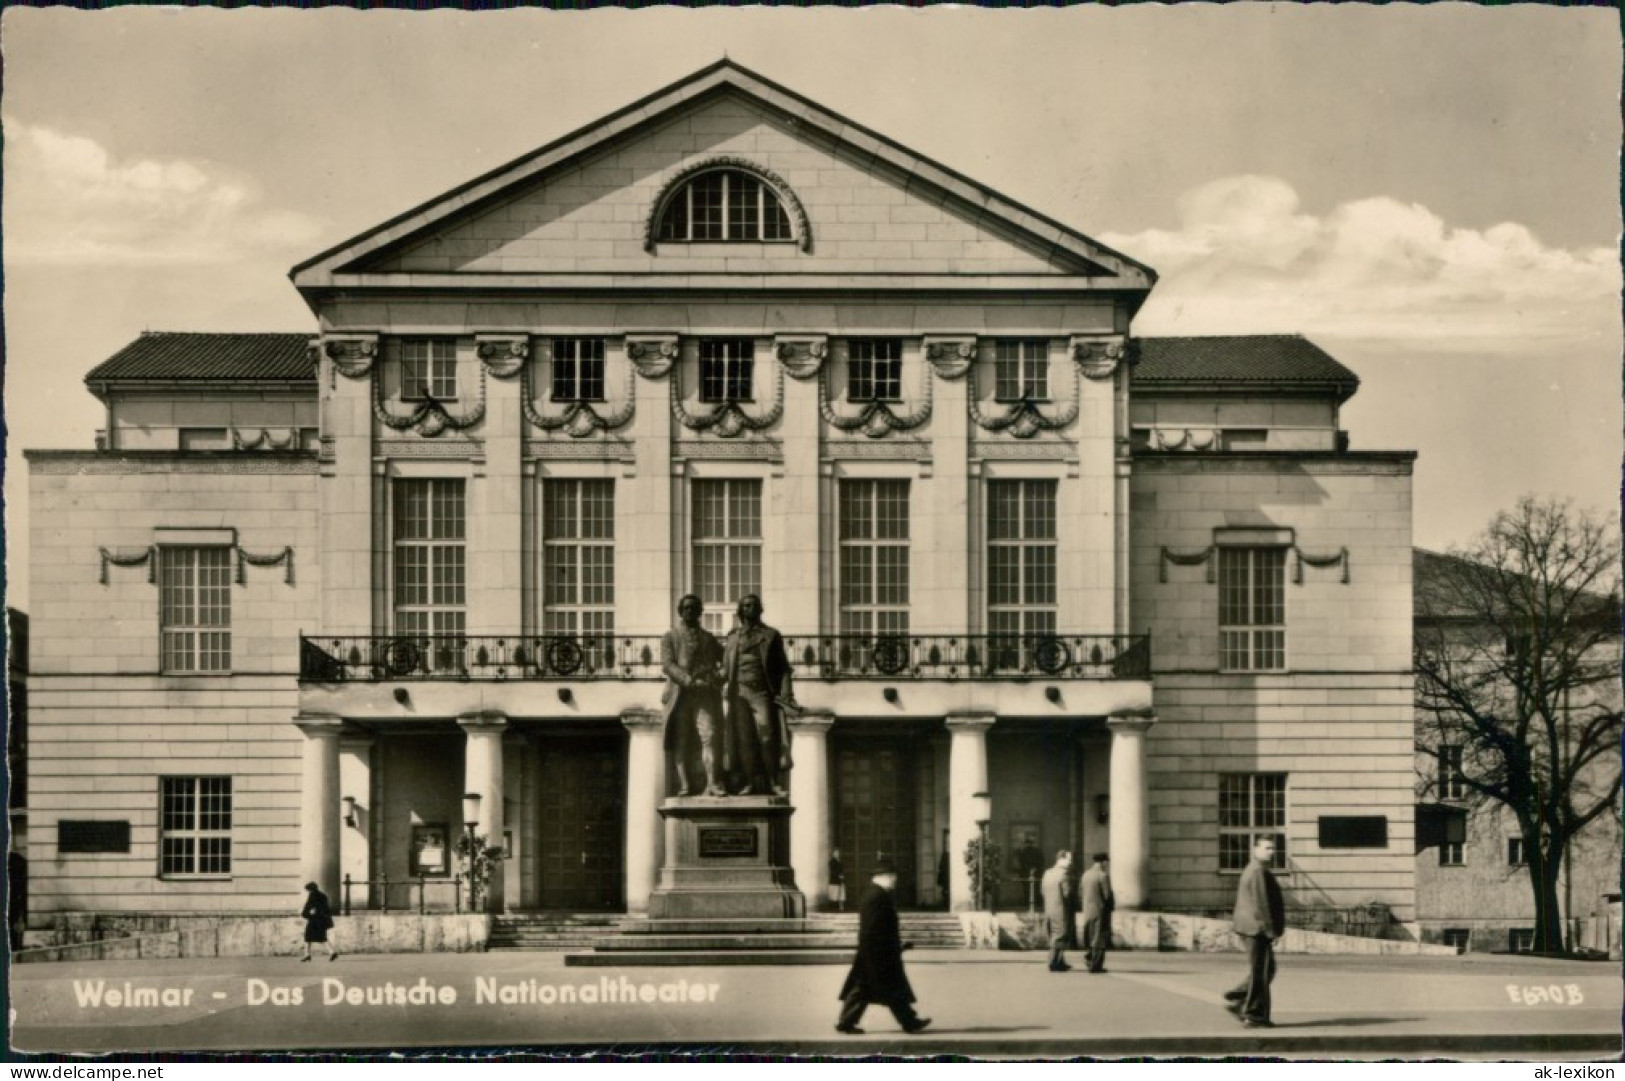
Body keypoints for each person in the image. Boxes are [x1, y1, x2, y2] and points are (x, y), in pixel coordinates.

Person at [836, 857, 930, 1035]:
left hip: (877, 953)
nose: (895, 879)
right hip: (877, 954)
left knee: (875, 988)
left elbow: (880, 927)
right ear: (883, 876)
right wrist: (882, 951)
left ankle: (909, 1021)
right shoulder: (876, 896)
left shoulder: (875, 894)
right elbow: (871, 929)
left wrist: (896, 945)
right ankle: (909, 1022)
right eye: (892, 876)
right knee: (879, 988)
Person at [721, 594, 797, 796]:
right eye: (745, 605)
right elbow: (725, 670)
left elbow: (783, 668)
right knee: (744, 740)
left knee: (766, 736)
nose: (749, 608)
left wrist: (787, 694)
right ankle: (750, 781)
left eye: (754, 605)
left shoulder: (771, 635)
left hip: (761, 691)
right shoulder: (732, 637)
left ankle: (773, 781)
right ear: (740, 610)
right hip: (738, 693)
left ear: (760, 609)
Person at [660, 594, 726, 797]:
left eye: (694, 607)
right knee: (681, 739)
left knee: (709, 736)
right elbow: (668, 664)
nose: (690, 611)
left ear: (700, 612)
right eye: (686, 607)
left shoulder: (708, 638)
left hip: (705, 694)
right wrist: (688, 680)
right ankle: (685, 785)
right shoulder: (670, 637)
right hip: (680, 695)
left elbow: (725, 661)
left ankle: (712, 783)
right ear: (681, 611)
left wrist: (717, 677)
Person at [1225, 836, 1285, 1027]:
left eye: (1273, 848)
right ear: (1255, 850)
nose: (1271, 852)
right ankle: (1253, 1015)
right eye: (1267, 848)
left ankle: (1239, 999)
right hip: (1256, 929)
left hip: (1250, 927)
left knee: (1266, 970)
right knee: (1262, 972)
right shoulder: (1258, 871)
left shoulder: (1255, 869)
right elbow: (1262, 904)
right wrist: (1270, 931)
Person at [1040, 850, 1076, 972]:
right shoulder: (1064, 875)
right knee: (1060, 936)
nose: (1071, 862)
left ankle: (1060, 961)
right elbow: (1068, 894)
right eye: (1069, 859)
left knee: (1054, 935)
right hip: (1061, 910)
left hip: (1049, 909)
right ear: (1061, 859)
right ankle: (1053, 962)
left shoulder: (1047, 873)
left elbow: (1042, 892)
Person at [1080, 852, 1114, 973]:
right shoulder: (1103, 876)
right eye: (1107, 862)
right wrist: (1110, 907)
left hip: (1088, 910)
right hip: (1100, 910)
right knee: (1099, 937)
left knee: (1090, 936)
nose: (1107, 864)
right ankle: (1096, 965)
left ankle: (1089, 958)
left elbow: (1081, 892)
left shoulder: (1086, 875)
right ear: (1103, 862)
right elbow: (1107, 895)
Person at [300, 881, 338, 962]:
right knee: (322, 937)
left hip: (314, 920)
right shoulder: (323, 896)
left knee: (307, 937)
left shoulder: (312, 896)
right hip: (323, 920)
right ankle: (332, 952)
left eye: (308, 890)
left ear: (310, 889)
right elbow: (327, 909)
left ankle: (307, 955)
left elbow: (307, 907)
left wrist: (305, 914)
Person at [828, 848, 847, 912]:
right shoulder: (832, 862)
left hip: (840, 880)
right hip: (834, 880)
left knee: (841, 894)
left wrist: (842, 875)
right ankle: (833, 908)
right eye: (836, 853)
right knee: (834, 895)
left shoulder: (840, 861)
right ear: (833, 854)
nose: (837, 854)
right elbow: (833, 871)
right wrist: (839, 875)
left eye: (838, 853)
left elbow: (842, 869)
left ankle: (841, 907)